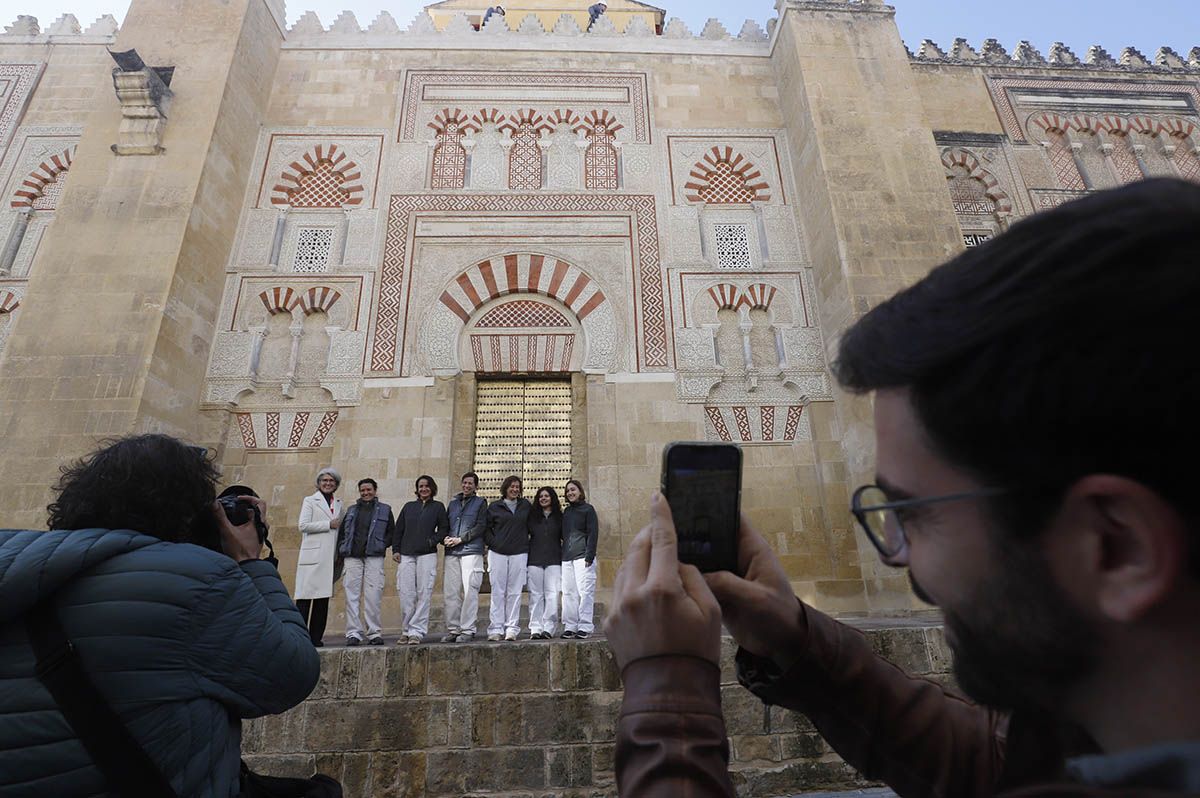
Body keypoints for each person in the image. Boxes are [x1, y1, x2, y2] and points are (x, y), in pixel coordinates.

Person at [605, 178, 1200, 797]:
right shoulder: (1114, 740)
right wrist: (795, 642)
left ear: (1115, 545)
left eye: (913, 513)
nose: (901, 558)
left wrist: (667, 685)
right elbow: (992, 767)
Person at [0, 434, 320, 795]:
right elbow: (292, 673)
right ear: (188, 511)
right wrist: (250, 561)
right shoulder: (196, 582)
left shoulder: (18, 571)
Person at [392, 475, 449, 645]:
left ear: (432, 488)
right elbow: (399, 529)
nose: (424, 489)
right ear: (417, 489)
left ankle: (417, 631)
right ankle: (406, 630)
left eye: (427, 486)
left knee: (424, 593)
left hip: (427, 555)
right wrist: (396, 549)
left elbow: (444, 528)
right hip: (407, 554)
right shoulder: (409, 507)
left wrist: (432, 541)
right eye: (421, 486)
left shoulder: (438, 507)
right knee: (406, 594)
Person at [338, 478, 393, 646]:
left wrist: (381, 544)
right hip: (353, 557)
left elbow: (391, 532)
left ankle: (374, 632)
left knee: (373, 596)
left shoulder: (385, 510)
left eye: (369, 489)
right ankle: (353, 633)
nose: (366, 493)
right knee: (351, 595)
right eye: (362, 490)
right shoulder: (352, 510)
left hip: (374, 557)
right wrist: (343, 548)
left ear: (375, 490)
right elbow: (343, 533)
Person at [294, 467, 343, 646]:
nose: (328, 484)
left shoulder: (338, 503)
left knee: (322, 600)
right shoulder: (310, 500)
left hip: (328, 558)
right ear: (319, 483)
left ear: (336, 484)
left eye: (331, 481)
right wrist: (327, 524)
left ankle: (316, 638)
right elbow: (303, 525)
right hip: (312, 555)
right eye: (325, 481)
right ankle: (300, 636)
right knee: (305, 598)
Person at [484, 475, 532, 641]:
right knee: (497, 591)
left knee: (515, 591)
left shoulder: (525, 505)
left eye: (517, 486)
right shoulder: (495, 506)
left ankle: (512, 628)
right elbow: (486, 528)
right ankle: (495, 629)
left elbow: (533, 524)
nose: (515, 489)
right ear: (505, 488)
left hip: (519, 552)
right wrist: (494, 543)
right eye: (512, 486)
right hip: (497, 553)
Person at [443, 471, 488, 642]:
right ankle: (453, 629)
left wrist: (461, 539)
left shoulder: (481, 503)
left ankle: (468, 629)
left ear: (476, 486)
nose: (467, 486)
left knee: (470, 590)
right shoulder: (453, 504)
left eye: (470, 483)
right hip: (452, 552)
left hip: (471, 550)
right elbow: (447, 524)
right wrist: (446, 538)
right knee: (451, 592)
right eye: (465, 483)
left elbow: (481, 525)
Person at [561, 479, 599, 638]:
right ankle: (570, 625)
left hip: (583, 557)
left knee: (585, 592)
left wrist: (589, 556)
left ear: (580, 492)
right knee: (569, 593)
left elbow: (593, 533)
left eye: (573, 490)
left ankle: (585, 626)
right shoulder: (567, 512)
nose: (570, 493)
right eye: (568, 491)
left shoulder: (588, 510)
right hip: (567, 558)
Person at [527, 486, 564, 639]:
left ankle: (549, 627)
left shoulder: (559, 517)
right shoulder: (532, 517)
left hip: (554, 559)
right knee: (535, 595)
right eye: (541, 496)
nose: (543, 498)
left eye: (546, 496)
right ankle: (535, 627)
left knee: (552, 594)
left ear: (552, 498)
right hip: (534, 559)